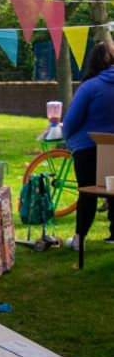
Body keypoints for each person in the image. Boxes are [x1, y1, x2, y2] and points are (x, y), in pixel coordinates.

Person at [62, 41, 114, 248]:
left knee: (88, 193)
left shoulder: (89, 87)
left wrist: (67, 139)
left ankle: (79, 239)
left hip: (87, 148)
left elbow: (72, 121)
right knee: (112, 191)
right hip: (112, 148)